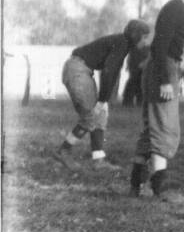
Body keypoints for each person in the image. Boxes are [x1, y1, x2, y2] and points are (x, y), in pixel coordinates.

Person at [129, 0, 184, 202]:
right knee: (164, 128)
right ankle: (160, 189)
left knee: (151, 130)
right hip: (163, 69)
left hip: (162, 68)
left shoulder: (176, 9)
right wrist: (165, 79)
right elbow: (161, 45)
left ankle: (136, 185)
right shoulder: (178, 11)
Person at [53, 19, 152, 170]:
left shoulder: (122, 42)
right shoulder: (122, 43)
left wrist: (103, 101)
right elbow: (108, 71)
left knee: (101, 115)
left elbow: (109, 73)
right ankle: (63, 151)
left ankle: (98, 160)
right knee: (90, 117)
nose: (146, 41)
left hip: (81, 70)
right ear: (136, 35)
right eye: (144, 37)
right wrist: (102, 100)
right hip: (77, 70)